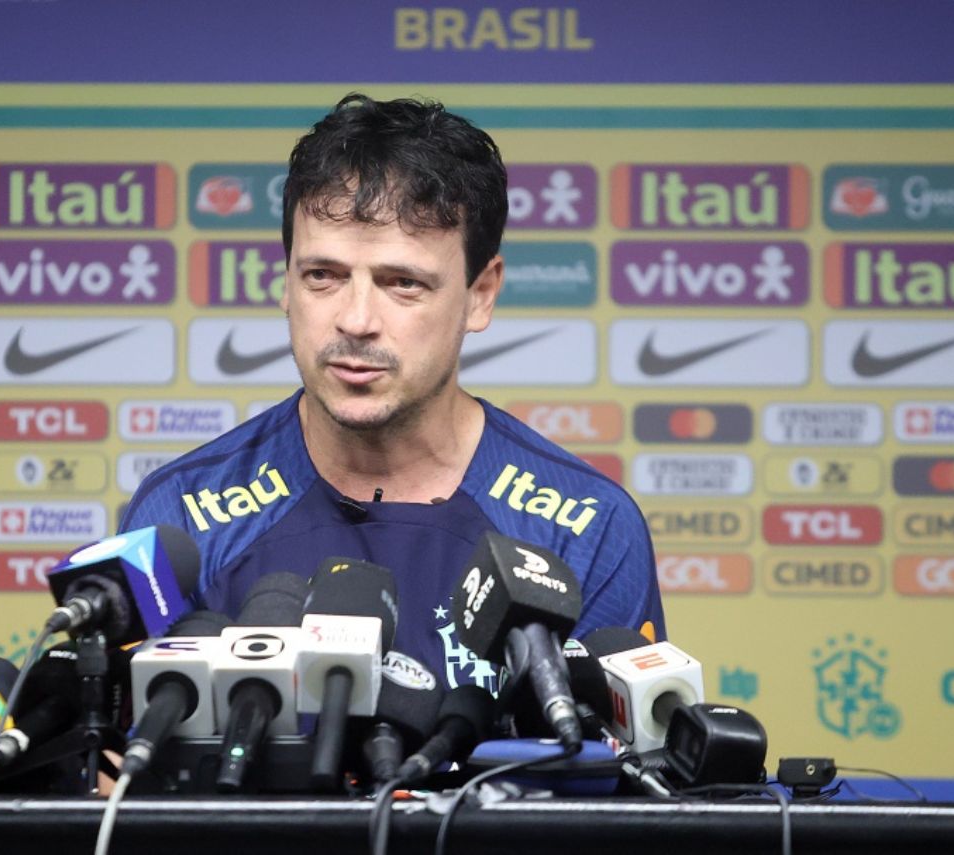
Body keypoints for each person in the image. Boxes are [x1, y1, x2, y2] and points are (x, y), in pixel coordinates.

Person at [121, 93, 664, 691]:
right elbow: (123, 772)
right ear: (285, 282)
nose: (355, 320)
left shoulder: (589, 529)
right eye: (322, 276)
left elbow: (615, 777)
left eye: (401, 283)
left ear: (481, 293)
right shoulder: (178, 517)